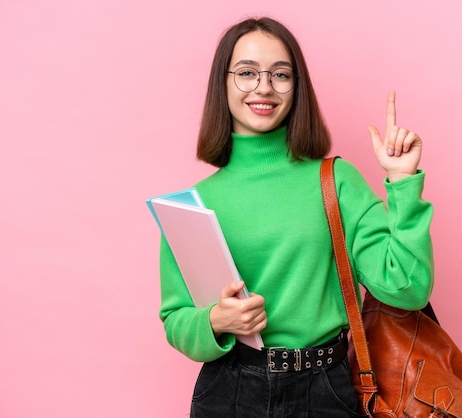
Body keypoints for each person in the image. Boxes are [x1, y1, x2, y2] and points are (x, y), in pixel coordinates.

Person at [158, 16, 434, 417]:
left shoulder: (336, 180)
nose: (264, 87)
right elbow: (176, 320)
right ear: (223, 82)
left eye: (280, 74)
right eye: (247, 73)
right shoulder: (195, 203)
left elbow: (408, 289)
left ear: (296, 87)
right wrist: (216, 320)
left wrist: (403, 183)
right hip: (229, 392)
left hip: (326, 389)